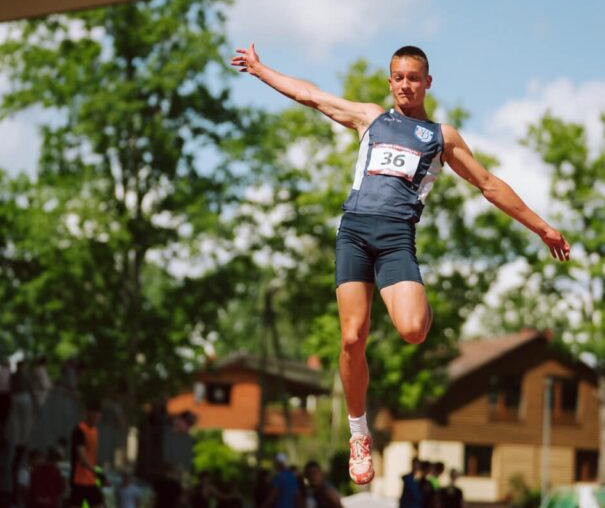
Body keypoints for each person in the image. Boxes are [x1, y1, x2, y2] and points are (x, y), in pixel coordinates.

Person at [231, 44, 571, 484]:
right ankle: (359, 434)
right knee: (352, 337)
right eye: (398, 77)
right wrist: (260, 71)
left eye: (414, 77)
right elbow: (311, 95)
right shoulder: (371, 119)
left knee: (412, 331)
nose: (405, 85)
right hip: (353, 231)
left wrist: (541, 227)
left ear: (428, 82)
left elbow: (488, 184)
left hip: (395, 239)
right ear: (389, 81)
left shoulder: (439, 137)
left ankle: (421, 304)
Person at [61, 401, 112, 508]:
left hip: (91, 483)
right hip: (79, 481)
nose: (96, 417)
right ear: (87, 413)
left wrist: (98, 474)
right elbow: (81, 457)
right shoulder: (79, 431)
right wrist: (98, 471)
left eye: (98, 414)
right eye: (93, 413)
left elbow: (91, 457)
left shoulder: (95, 431)